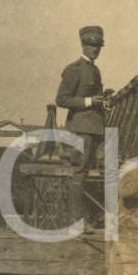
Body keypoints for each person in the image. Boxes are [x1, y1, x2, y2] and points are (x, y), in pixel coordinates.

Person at [56, 25, 113, 233]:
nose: (95, 49)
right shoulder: (74, 69)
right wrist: (90, 101)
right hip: (81, 129)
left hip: (95, 128)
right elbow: (61, 99)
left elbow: (92, 99)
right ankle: (78, 222)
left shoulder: (94, 70)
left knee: (93, 173)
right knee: (79, 174)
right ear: (83, 45)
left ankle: (93, 217)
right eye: (91, 45)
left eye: (98, 46)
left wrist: (103, 100)